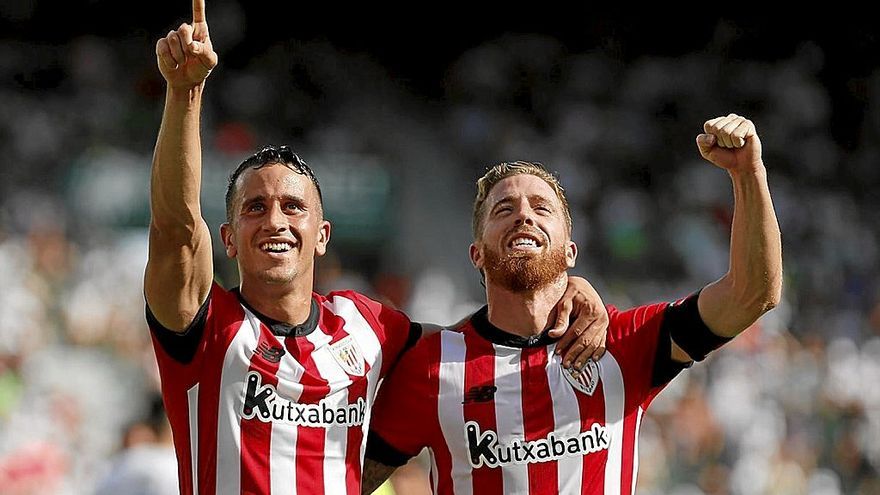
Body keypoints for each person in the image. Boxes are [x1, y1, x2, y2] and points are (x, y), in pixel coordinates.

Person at [145, 2, 609, 494]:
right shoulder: (206, 327)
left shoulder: (365, 325)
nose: (275, 220)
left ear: (322, 235)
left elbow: (484, 340)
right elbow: (175, 229)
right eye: (255, 208)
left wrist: (564, 287)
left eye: (292, 206)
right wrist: (184, 93)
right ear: (228, 240)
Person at [361, 114, 783, 494]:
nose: (523, 215)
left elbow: (753, 294)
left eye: (541, 208)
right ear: (477, 254)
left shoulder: (624, 341)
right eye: (503, 209)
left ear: (570, 251)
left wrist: (748, 174)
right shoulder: (431, 367)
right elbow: (346, 479)